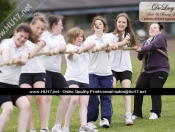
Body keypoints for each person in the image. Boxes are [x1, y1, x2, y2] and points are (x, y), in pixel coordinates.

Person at [103, 12, 140, 125]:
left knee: (126, 90)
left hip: (125, 68)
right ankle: (107, 114)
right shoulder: (110, 36)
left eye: (124, 22)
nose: (121, 24)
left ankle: (128, 115)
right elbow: (106, 43)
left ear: (127, 24)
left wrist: (117, 45)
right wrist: (108, 47)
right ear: (116, 23)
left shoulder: (128, 35)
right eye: (119, 22)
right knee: (112, 86)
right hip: (112, 67)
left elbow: (124, 42)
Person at [61, 27, 98, 132]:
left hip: (84, 80)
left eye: (81, 36)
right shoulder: (68, 47)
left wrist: (82, 49)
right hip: (72, 78)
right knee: (74, 99)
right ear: (72, 37)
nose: (80, 38)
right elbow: (68, 56)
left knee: (84, 104)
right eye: (77, 36)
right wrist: (72, 53)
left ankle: (83, 126)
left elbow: (93, 44)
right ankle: (66, 126)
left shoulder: (85, 46)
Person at [132, 22, 170, 120]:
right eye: (150, 28)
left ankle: (155, 112)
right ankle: (137, 113)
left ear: (160, 31)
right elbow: (140, 57)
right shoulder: (146, 42)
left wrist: (142, 49)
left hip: (160, 70)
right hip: (148, 72)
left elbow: (153, 46)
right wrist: (140, 51)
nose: (151, 29)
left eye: (154, 28)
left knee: (154, 89)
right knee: (138, 89)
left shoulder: (160, 38)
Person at [40, 14, 71, 132]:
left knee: (67, 96)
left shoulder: (60, 37)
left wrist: (56, 50)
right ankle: (45, 128)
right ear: (54, 25)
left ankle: (57, 126)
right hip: (44, 71)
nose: (62, 27)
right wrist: (48, 51)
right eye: (61, 24)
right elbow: (44, 45)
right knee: (47, 99)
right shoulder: (44, 35)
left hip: (56, 72)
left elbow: (64, 46)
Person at [19, 12, 49, 132]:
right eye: (38, 28)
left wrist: (34, 51)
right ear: (31, 25)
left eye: (42, 29)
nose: (40, 30)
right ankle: (32, 129)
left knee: (40, 97)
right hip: (24, 72)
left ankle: (44, 128)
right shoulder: (22, 35)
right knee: (28, 99)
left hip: (39, 71)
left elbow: (41, 44)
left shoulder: (43, 37)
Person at [0, 23, 31, 132]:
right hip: (1, 83)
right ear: (15, 32)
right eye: (21, 35)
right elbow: (5, 53)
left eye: (25, 38)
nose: (22, 39)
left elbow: (23, 61)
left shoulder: (25, 47)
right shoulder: (6, 43)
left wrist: (17, 60)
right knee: (8, 109)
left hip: (13, 85)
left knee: (26, 105)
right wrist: (7, 60)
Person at [86, 15, 113, 129]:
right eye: (95, 24)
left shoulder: (109, 36)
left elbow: (106, 43)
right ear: (93, 27)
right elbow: (88, 47)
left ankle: (105, 118)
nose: (98, 25)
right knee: (92, 96)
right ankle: (91, 120)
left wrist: (100, 46)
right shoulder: (89, 39)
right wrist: (95, 46)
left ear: (104, 27)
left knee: (106, 96)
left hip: (106, 73)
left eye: (100, 24)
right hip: (92, 72)